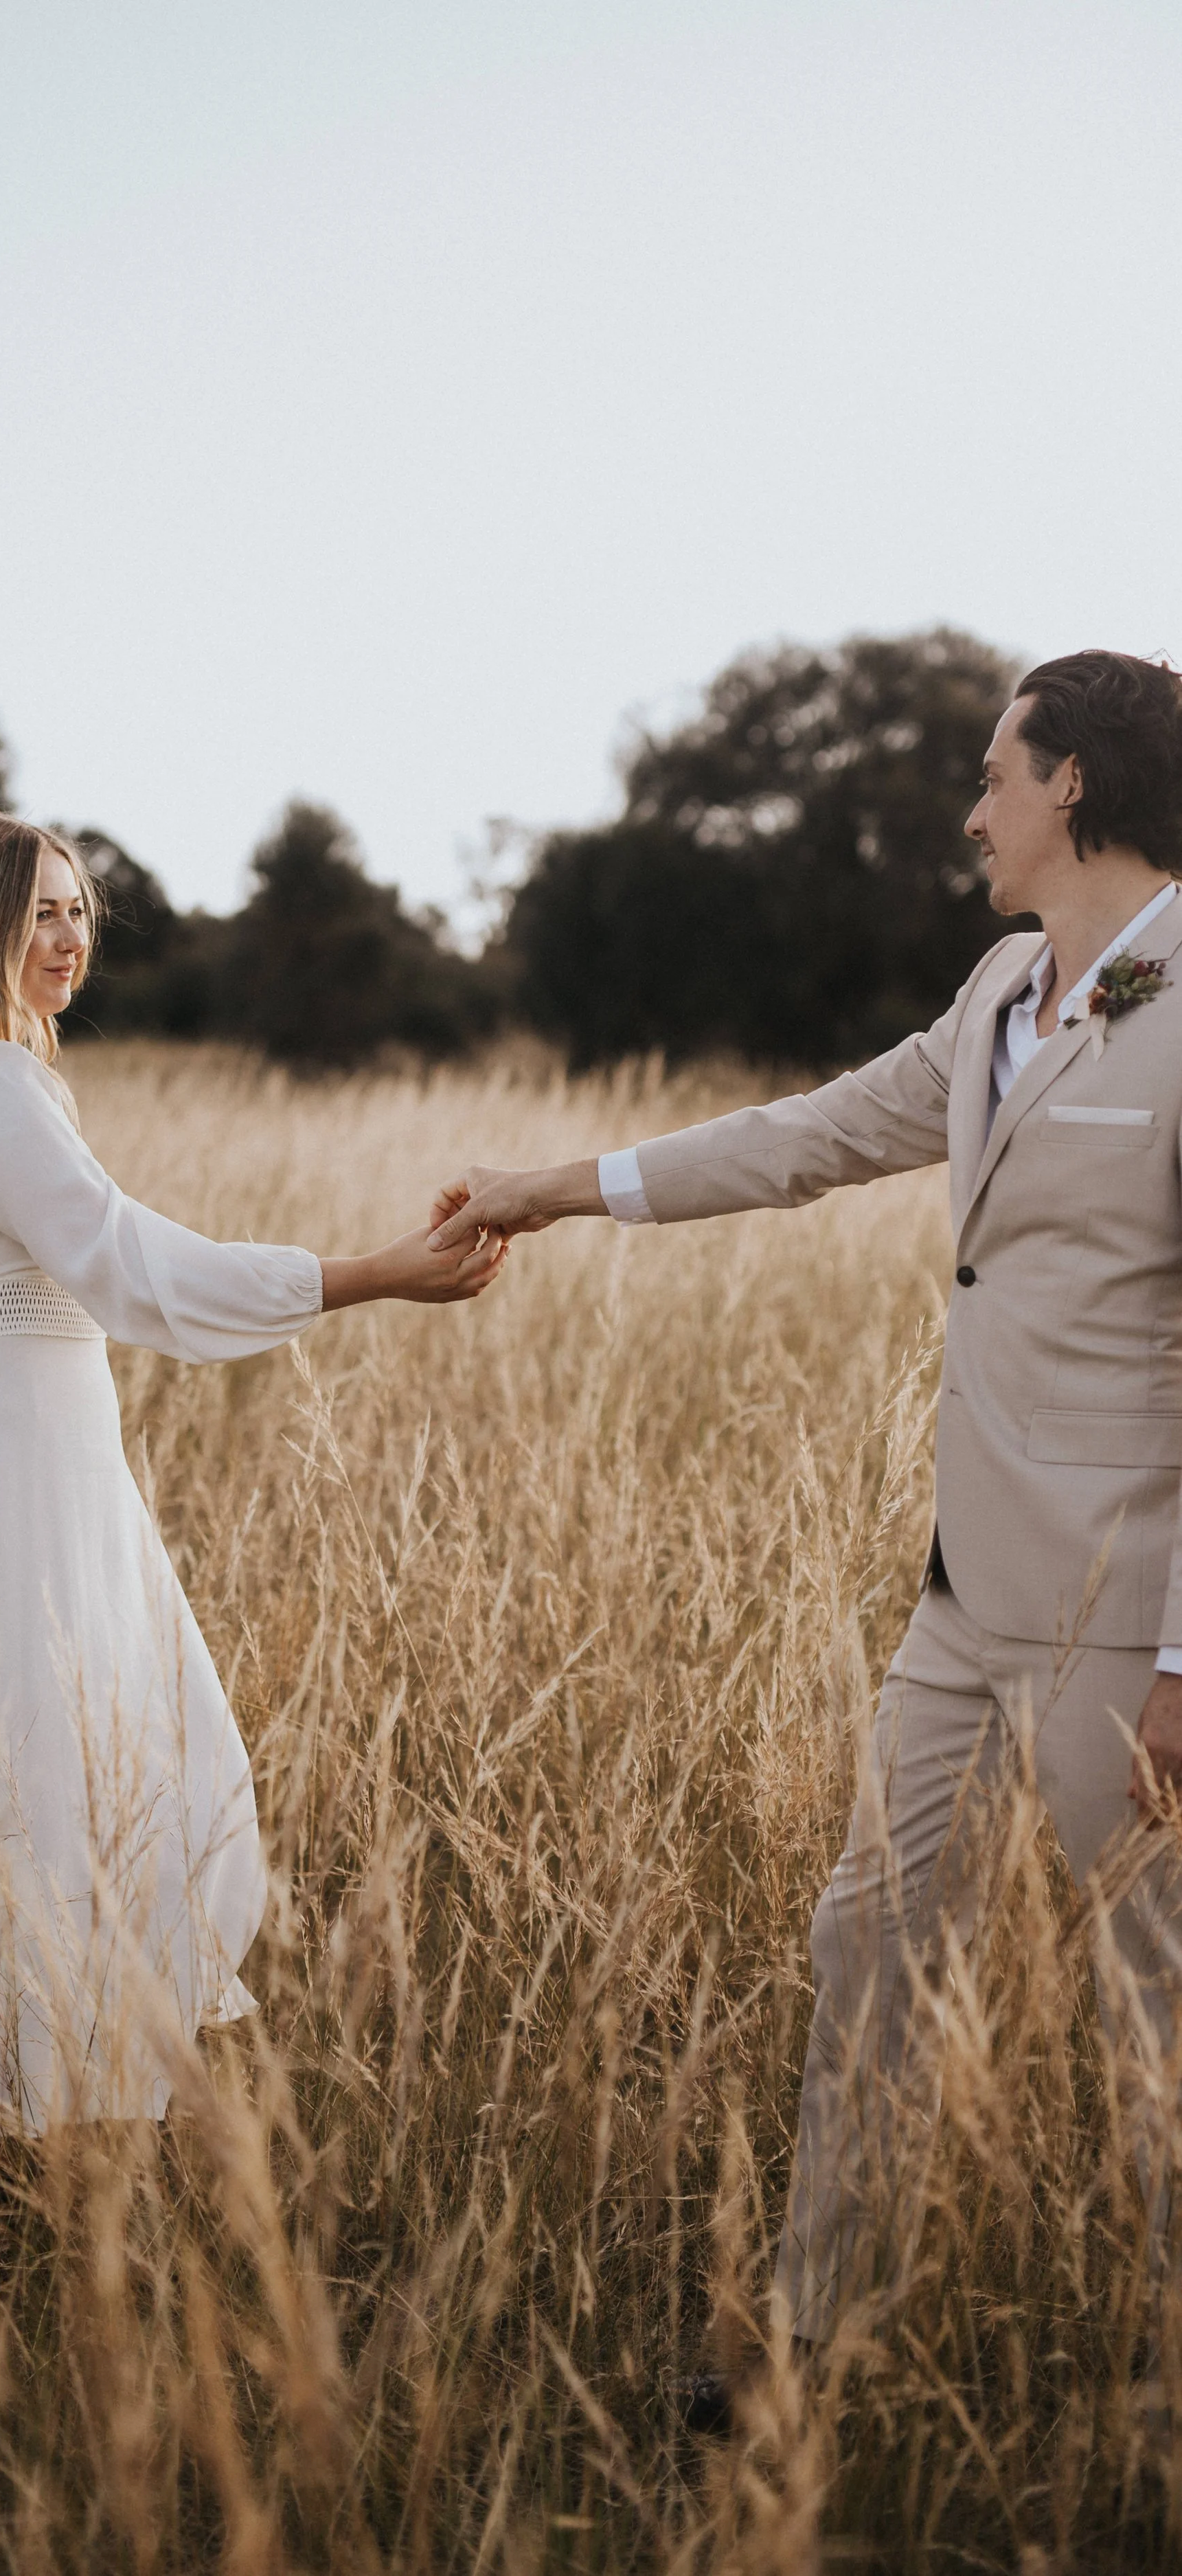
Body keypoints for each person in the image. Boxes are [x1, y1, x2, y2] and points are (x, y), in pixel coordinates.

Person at [430, 649, 1182, 2401]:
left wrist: (1179, 1654)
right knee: (868, 1939)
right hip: (961, 1596)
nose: (971, 810)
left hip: (1125, 1610)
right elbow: (815, 1135)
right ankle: (813, 2338)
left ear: (1071, 784)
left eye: (994, 774)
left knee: (1156, 1993)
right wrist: (557, 1188)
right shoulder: (1002, 985)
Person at [0, 810, 505, 2136]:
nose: (69, 938)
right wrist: (368, 1276)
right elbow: (127, 1266)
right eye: (40, 912)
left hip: (1, 1451)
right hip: (2, 1469)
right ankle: (22, 2095)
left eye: (79, 910)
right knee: (43, 1760)